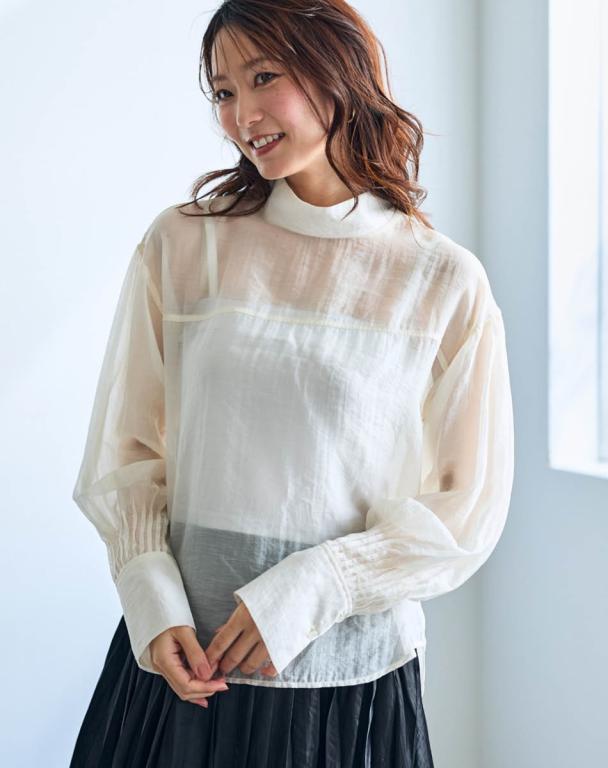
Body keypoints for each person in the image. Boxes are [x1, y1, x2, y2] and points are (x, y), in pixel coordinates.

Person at [69, 1, 514, 766]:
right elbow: (128, 449)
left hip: (345, 686)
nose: (241, 114)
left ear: (337, 69)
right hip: (181, 668)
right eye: (223, 91)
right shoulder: (185, 244)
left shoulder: (440, 279)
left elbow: (465, 507)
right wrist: (148, 590)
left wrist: (318, 584)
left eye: (263, 77)